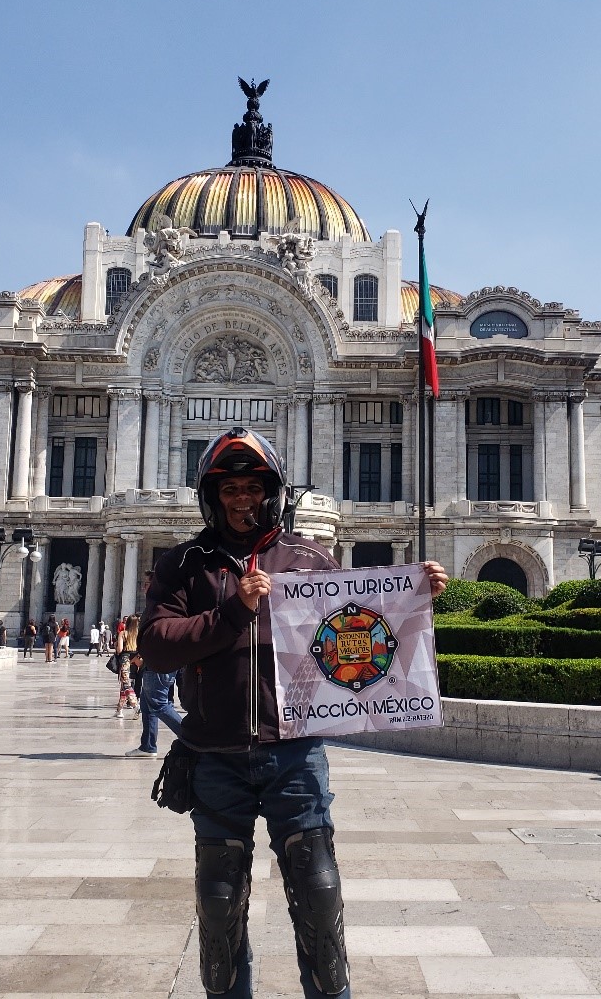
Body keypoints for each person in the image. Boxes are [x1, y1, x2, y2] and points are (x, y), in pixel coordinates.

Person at [140, 427, 449, 999]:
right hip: (215, 755)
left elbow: (360, 631)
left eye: (252, 488)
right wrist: (235, 610)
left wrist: (412, 600)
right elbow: (156, 646)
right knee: (218, 903)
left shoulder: (309, 558)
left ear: (272, 492)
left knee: (319, 894)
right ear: (212, 497)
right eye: (230, 489)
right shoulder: (184, 563)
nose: (242, 499)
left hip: (295, 755)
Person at [114, 615, 140, 717]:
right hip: (135, 662)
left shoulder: (123, 633)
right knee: (123, 686)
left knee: (126, 685)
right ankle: (119, 710)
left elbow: (120, 649)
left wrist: (116, 646)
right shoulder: (138, 635)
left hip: (125, 661)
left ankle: (135, 705)